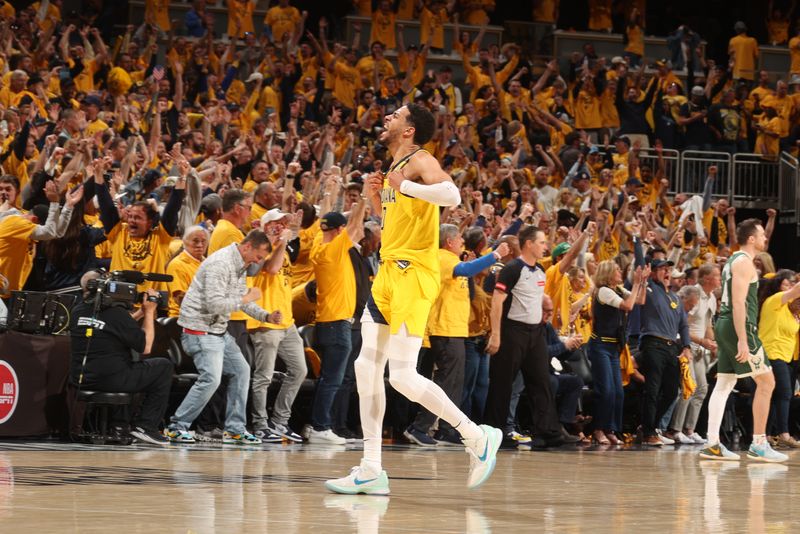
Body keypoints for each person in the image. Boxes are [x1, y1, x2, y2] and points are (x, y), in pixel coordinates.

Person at [325, 104, 501, 496]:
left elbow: (450, 193)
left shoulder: (420, 159)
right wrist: (377, 198)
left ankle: (476, 437)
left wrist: (406, 185)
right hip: (388, 271)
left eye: (395, 116)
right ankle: (371, 468)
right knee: (365, 366)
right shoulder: (393, 169)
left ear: (409, 130)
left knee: (402, 375)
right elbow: (394, 224)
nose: (387, 118)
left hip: (412, 275)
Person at [165, 230, 282, 445]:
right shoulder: (221, 263)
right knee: (211, 379)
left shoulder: (239, 265)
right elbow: (215, 304)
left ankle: (235, 429)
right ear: (247, 247)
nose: (259, 262)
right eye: (258, 257)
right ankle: (177, 426)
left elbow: (240, 301)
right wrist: (247, 296)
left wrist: (266, 315)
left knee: (242, 370)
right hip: (199, 330)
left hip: (218, 330)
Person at [700, 219, 788, 462]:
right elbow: (738, 303)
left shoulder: (733, 260)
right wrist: (742, 339)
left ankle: (712, 443)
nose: (764, 239)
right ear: (751, 238)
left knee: (725, 383)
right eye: (761, 235)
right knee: (767, 382)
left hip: (727, 324)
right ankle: (759, 443)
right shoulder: (743, 263)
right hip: (739, 326)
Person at [70, 270, 173, 445]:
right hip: (112, 379)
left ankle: (122, 424)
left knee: (128, 363)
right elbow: (146, 347)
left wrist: (140, 312)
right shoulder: (116, 314)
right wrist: (149, 312)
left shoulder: (77, 310)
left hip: (81, 379)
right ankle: (146, 426)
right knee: (163, 366)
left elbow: (114, 327)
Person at [588, 260, 647, 445]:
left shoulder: (619, 289)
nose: (620, 271)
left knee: (618, 392)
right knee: (605, 390)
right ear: (607, 273)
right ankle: (598, 429)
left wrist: (643, 282)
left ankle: (611, 428)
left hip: (614, 347)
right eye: (617, 269)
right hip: (600, 346)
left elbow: (640, 300)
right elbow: (628, 306)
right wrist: (636, 283)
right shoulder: (604, 291)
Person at [668, 264, 720, 444]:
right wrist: (701, 342)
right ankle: (675, 429)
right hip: (686, 347)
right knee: (689, 387)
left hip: (700, 349)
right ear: (706, 278)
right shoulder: (693, 295)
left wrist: (713, 344)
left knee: (702, 388)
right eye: (717, 276)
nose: (720, 279)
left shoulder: (712, 297)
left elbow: (707, 326)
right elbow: (681, 326)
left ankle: (689, 429)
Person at [758, 273, 800, 449]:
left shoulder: (791, 313)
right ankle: (783, 434)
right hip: (771, 353)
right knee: (784, 394)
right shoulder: (774, 301)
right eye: (787, 285)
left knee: (777, 396)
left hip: (787, 357)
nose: (790, 289)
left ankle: (767, 434)